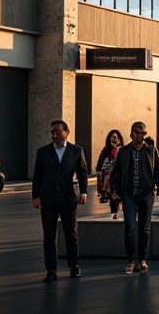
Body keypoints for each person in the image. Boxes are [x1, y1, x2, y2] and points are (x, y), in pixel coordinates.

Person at [31, 119, 89, 282]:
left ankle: (74, 265)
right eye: (52, 132)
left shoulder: (76, 150)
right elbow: (38, 175)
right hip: (48, 199)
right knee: (49, 236)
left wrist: (83, 192)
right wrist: (36, 196)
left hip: (68, 198)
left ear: (66, 132)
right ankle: (51, 270)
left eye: (57, 132)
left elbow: (82, 172)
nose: (54, 135)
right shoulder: (43, 152)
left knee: (71, 233)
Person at [110, 122, 159, 274]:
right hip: (129, 195)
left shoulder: (151, 150)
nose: (141, 135)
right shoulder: (124, 151)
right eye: (138, 132)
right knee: (130, 229)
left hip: (146, 195)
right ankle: (131, 260)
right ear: (131, 134)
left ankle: (143, 259)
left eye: (144, 133)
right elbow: (117, 171)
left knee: (145, 229)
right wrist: (114, 190)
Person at [95, 129, 123, 219]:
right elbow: (100, 162)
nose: (113, 139)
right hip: (108, 177)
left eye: (115, 137)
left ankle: (117, 211)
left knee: (117, 195)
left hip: (119, 176)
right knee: (112, 195)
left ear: (119, 139)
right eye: (112, 137)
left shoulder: (122, 150)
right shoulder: (106, 150)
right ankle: (114, 213)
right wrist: (99, 169)